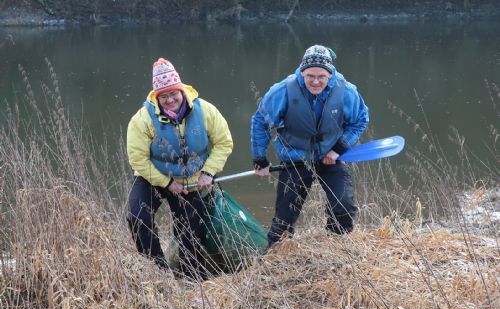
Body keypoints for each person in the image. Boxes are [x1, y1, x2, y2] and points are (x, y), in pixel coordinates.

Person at [250, 45, 369, 249]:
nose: (315, 81)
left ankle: (335, 250)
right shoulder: (282, 91)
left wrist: (339, 148)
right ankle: (275, 259)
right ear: (302, 71)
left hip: (331, 156)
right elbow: (260, 121)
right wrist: (260, 158)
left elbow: (360, 120)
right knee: (283, 222)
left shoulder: (346, 91)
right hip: (295, 159)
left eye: (321, 76)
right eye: (310, 76)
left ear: (330, 74)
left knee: (343, 208)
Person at [126, 58, 233, 279]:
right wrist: (166, 183)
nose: (170, 99)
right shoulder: (142, 119)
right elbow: (137, 158)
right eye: (163, 96)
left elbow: (224, 142)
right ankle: (158, 271)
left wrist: (208, 172)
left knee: (190, 233)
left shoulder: (206, 111)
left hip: (192, 178)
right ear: (156, 97)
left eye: (173, 93)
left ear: (182, 90)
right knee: (137, 217)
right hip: (153, 177)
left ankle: (191, 278)